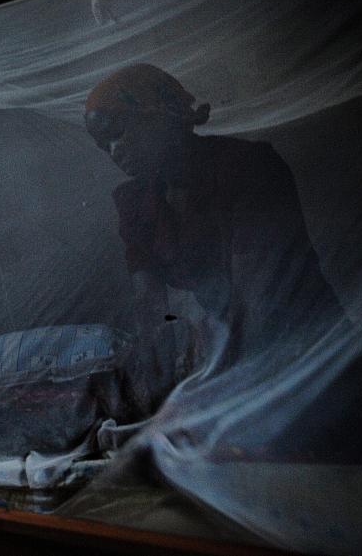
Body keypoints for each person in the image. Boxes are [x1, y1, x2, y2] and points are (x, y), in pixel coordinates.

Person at [84, 63, 344, 415]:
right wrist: (158, 395)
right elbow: (149, 303)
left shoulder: (246, 166)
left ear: (158, 115)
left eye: (118, 133)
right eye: (104, 145)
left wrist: (220, 383)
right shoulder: (136, 203)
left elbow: (260, 295)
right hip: (237, 351)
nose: (114, 151)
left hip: (311, 345)